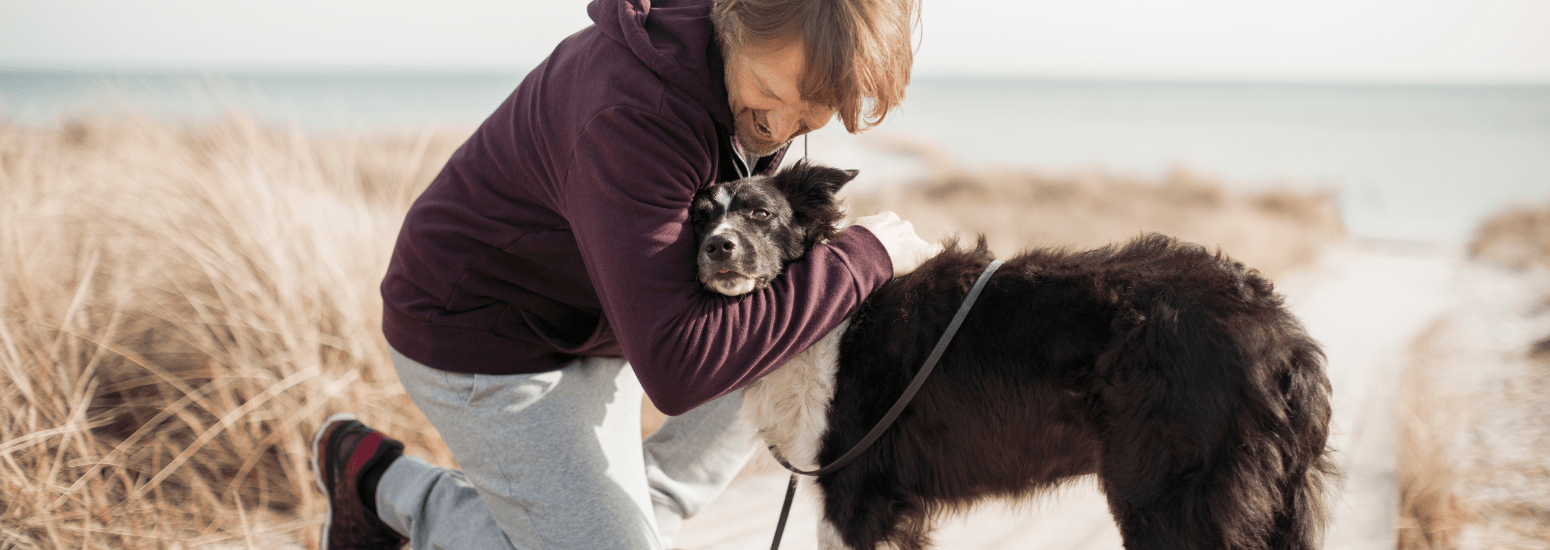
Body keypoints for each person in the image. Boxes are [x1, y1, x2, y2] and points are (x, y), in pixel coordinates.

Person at [311, 0, 930, 548]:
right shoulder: (633, 113)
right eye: (768, 92)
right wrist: (860, 257)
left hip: (607, 322)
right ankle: (376, 483)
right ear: (733, 17)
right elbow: (680, 370)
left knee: (645, 512)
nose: (777, 129)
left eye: (812, 113)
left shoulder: (750, 64)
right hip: (485, 332)